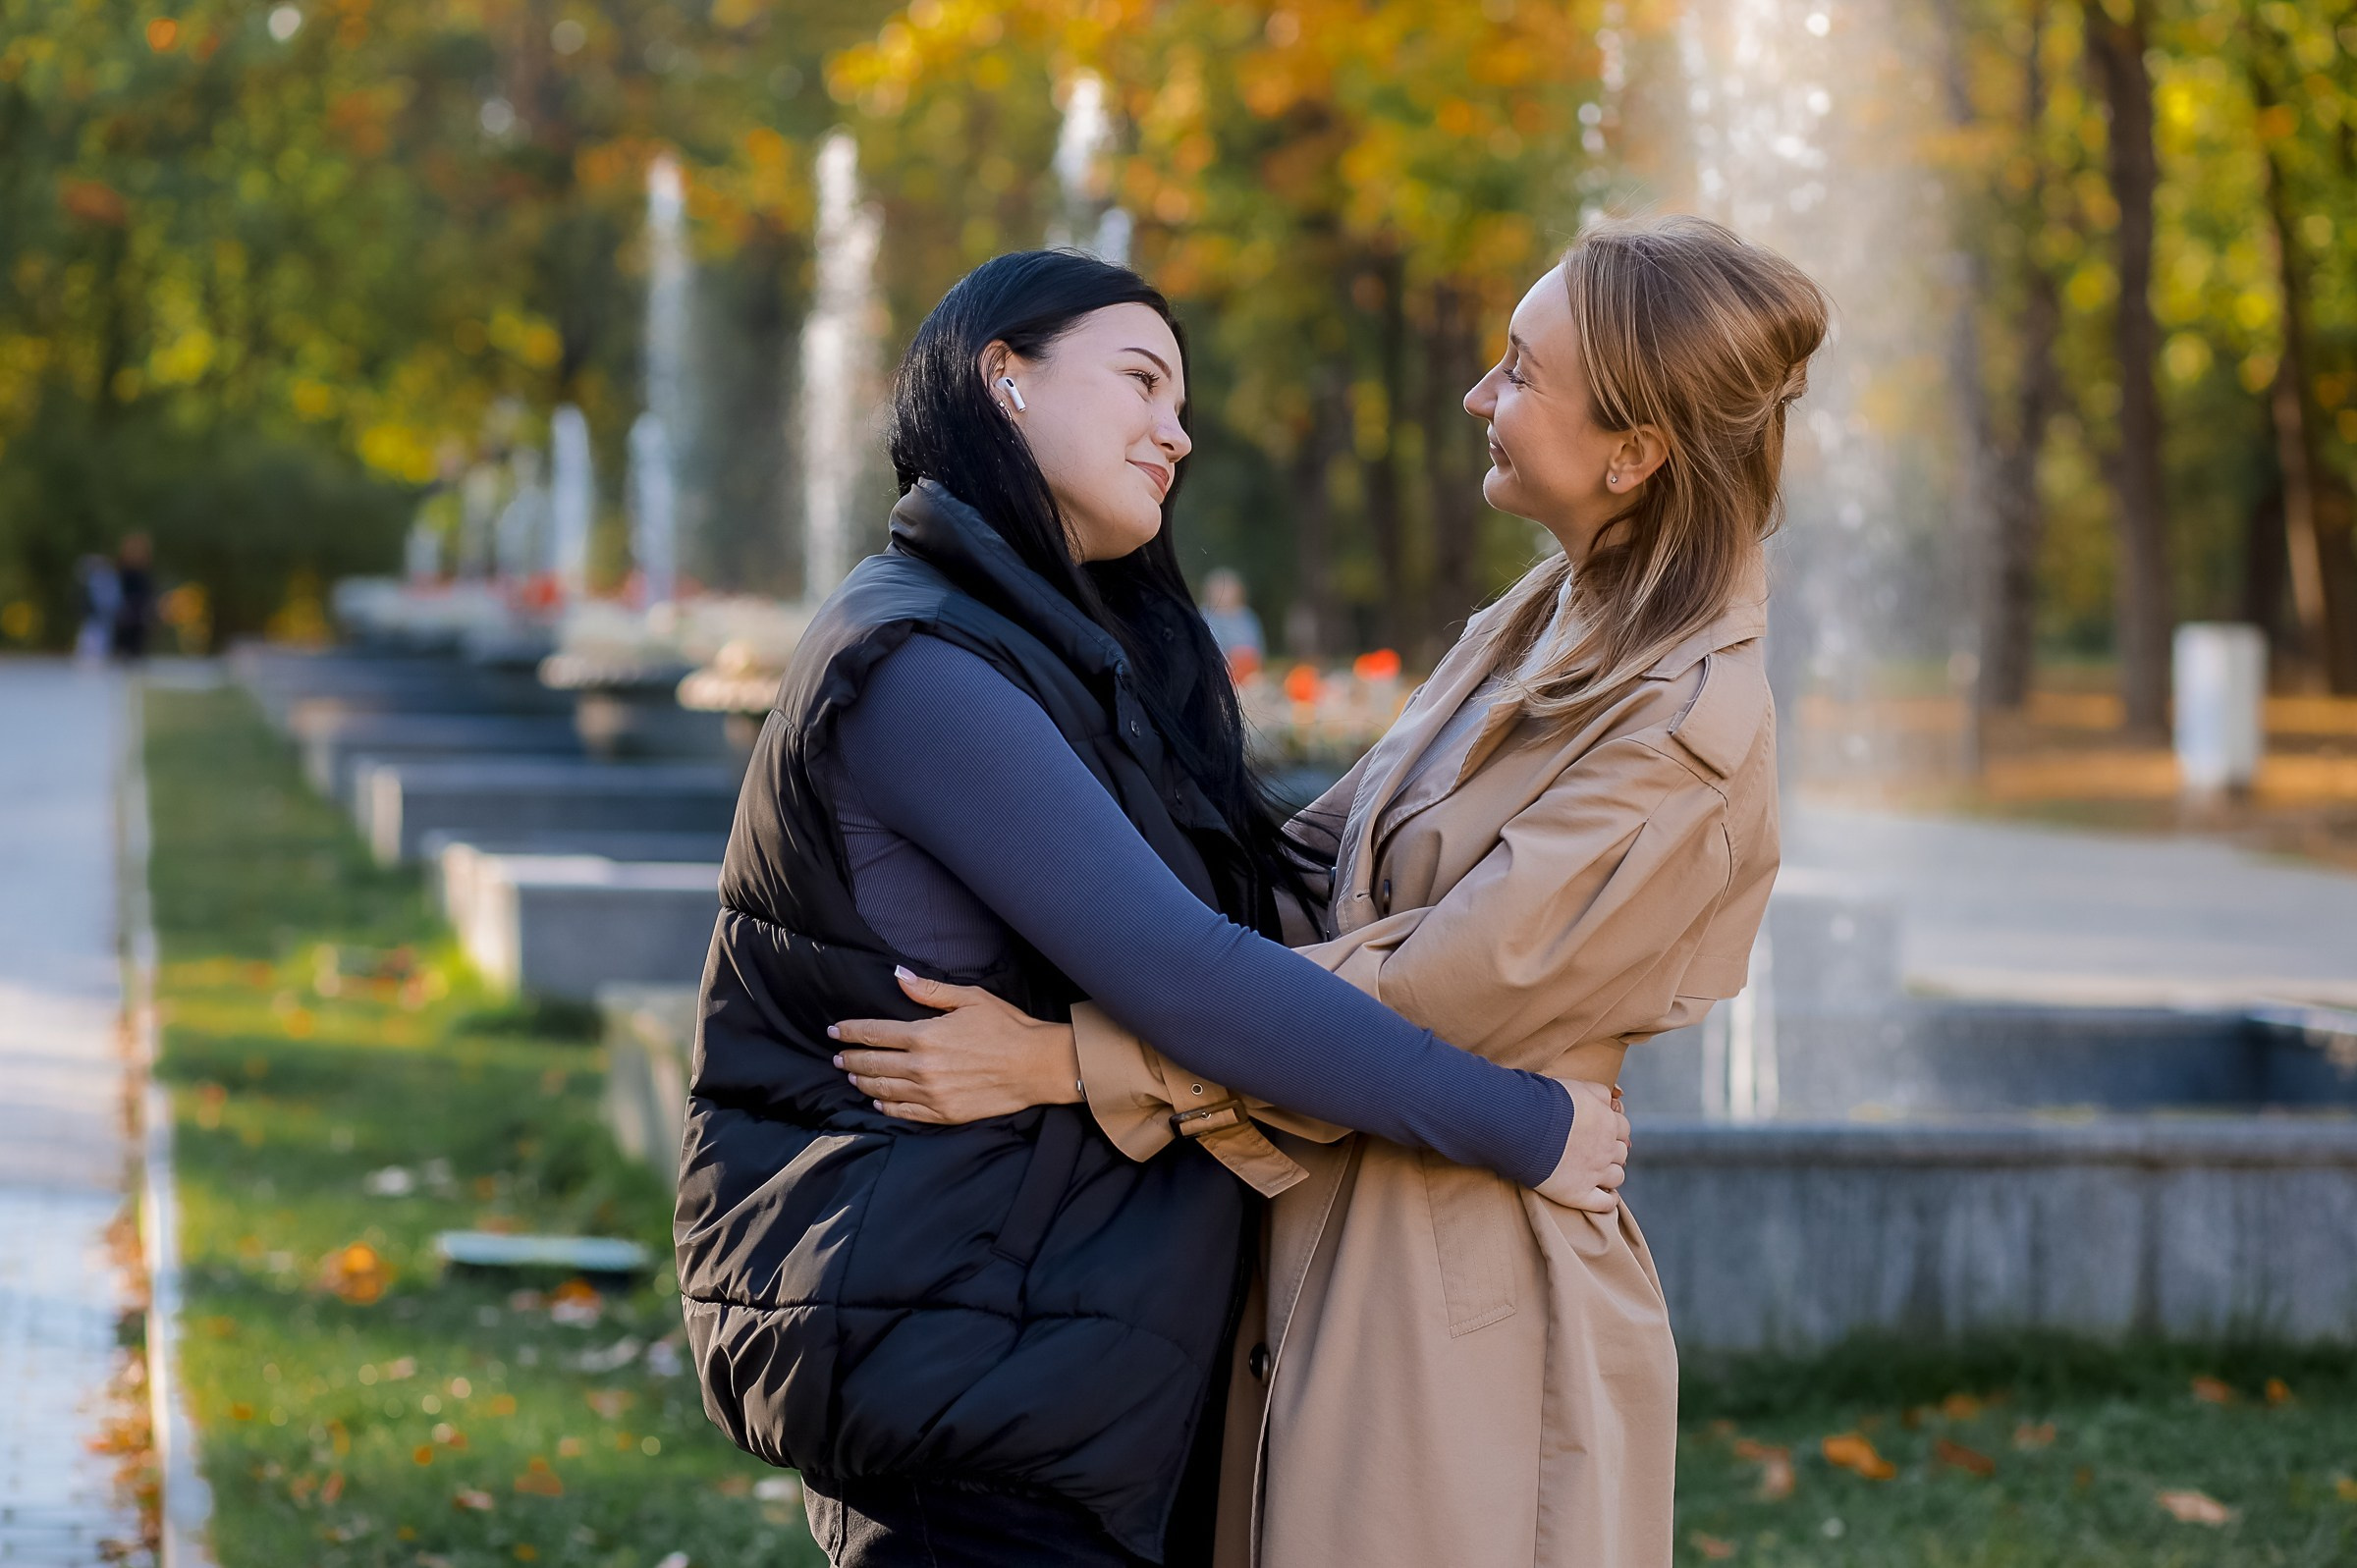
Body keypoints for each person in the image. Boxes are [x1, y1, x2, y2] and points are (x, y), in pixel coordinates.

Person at [829, 215, 1826, 1567]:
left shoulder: (1686, 731)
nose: (1481, 395)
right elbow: (1311, 869)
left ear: (1634, 452)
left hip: (1464, 1283)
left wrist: (1075, 1064)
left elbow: (1437, 992)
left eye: (1522, 376)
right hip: (1348, 1193)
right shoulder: (1542, 619)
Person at [674, 251, 1629, 1568]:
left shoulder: (1055, 653)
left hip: (1050, 1364)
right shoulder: (918, 664)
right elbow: (1193, 973)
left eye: (1182, 401)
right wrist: (1519, 1123)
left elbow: (1271, 878)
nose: (1176, 431)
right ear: (1002, 375)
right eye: (1141, 381)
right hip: (975, 1384)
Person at [1198, 567, 1264, 679]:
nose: (1224, 595)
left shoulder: (1247, 618)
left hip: (1247, 675)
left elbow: (1256, 650)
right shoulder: (1203, 617)